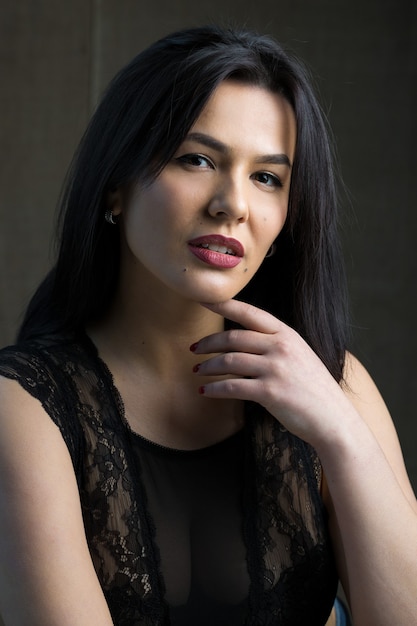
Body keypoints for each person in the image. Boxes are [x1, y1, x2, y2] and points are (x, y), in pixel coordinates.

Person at [0, 24, 415, 626]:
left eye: (267, 177)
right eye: (197, 159)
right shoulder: (24, 408)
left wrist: (343, 437)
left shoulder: (336, 382)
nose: (233, 203)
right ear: (114, 188)